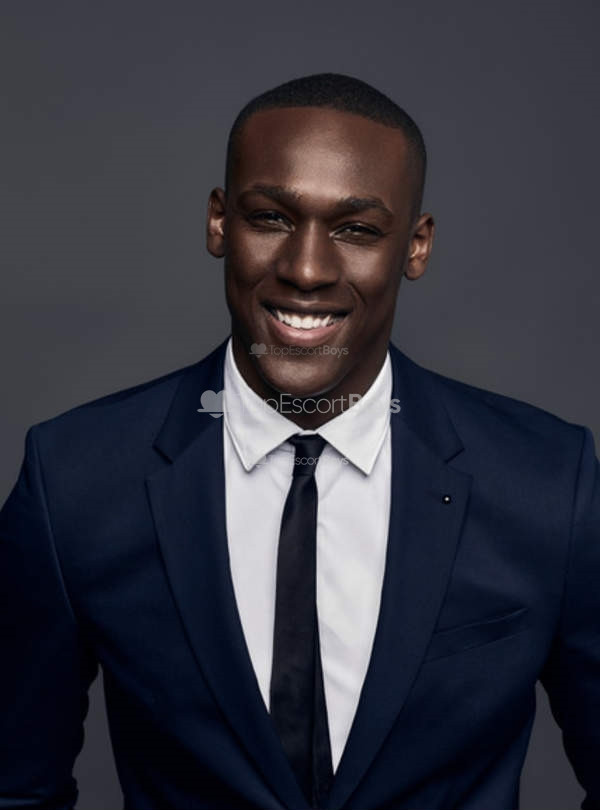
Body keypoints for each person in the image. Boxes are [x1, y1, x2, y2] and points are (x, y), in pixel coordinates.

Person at [0, 72, 598, 810]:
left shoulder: (548, 484)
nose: (306, 269)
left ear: (416, 246)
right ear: (219, 222)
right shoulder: (75, 482)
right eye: (270, 218)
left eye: (357, 229)